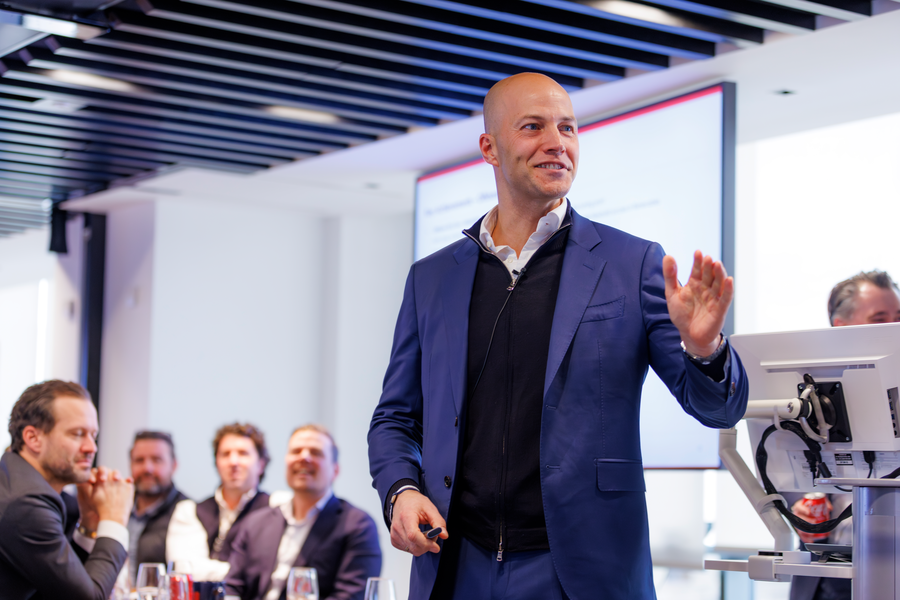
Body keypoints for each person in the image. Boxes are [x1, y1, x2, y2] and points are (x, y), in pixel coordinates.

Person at [367, 72, 749, 600]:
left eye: (568, 128)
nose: (557, 143)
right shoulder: (431, 278)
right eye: (533, 127)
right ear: (490, 148)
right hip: (456, 567)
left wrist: (704, 349)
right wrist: (402, 491)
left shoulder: (630, 262)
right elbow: (394, 417)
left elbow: (718, 411)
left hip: (583, 572)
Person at [789, 270, 900, 600]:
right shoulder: (808, 397)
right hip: (829, 575)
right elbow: (783, 476)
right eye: (880, 319)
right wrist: (800, 509)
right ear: (842, 331)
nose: (895, 328)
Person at [0, 379, 133, 600]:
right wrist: (114, 520)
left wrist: (90, 524)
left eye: (93, 435)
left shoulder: (17, 480)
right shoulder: (25, 502)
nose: (92, 448)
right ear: (33, 438)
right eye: (78, 434)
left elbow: (58, 590)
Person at [225, 424, 382, 600]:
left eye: (315, 452)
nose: (304, 457)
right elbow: (231, 587)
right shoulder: (256, 522)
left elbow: (351, 596)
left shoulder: (357, 526)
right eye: (296, 451)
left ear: (335, 470)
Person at [166, 423, 273, 581]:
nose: (233, 462)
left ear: (261, 464)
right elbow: (185, 570)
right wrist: (245, 571)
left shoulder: (276, 510)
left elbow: (275, 570)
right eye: (225, 454)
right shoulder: (189, 511)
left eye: (243, 453)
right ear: (216, 463)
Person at [126, 430, 188, 584]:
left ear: (174, 465)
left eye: (157, 460)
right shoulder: (117, 508)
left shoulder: (188, 513)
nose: (147, 468)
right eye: (139, 460)